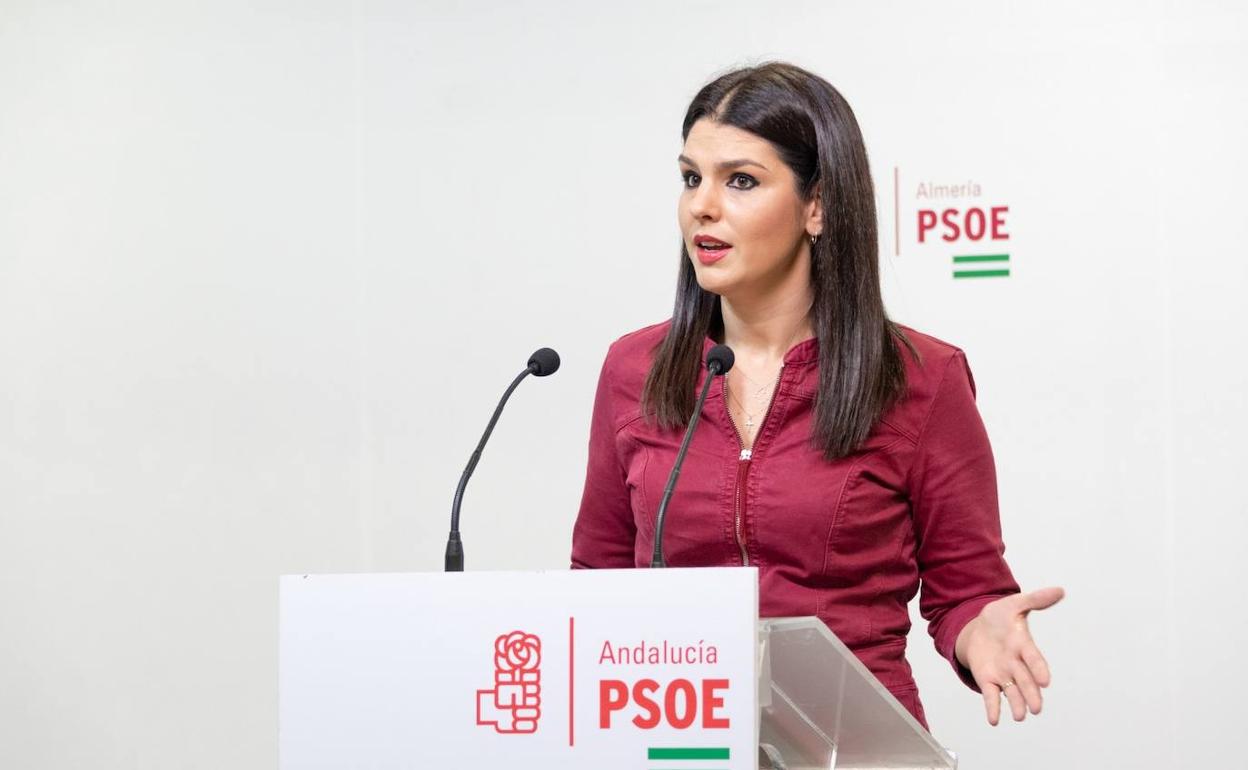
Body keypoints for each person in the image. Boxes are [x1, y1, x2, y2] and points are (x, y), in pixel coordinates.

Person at [569, 61, 1062, 731]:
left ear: (818, 205)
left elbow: (967, 590)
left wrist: (980, 629)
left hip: (853, 742)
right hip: (678, 736)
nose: (702, 206)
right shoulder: (635, 369)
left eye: (740, 180)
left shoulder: (922, 378)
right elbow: (598, 580)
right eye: (691, 178)